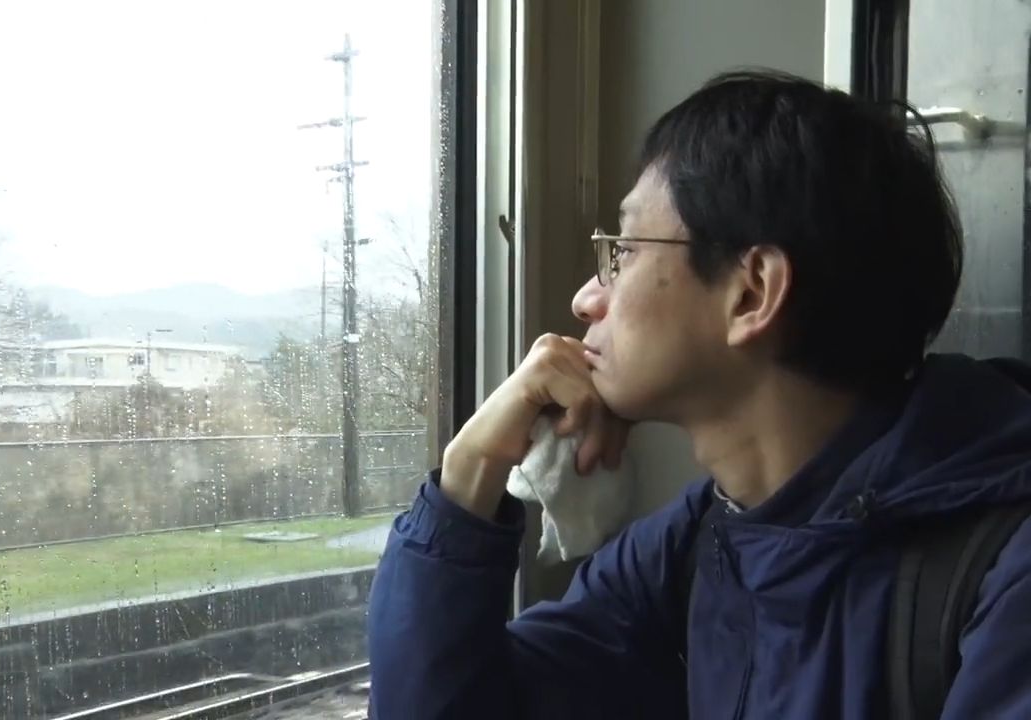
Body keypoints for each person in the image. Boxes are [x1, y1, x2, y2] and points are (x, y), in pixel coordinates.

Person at [366, 70, 1031, 719]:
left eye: (622, 252)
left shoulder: (1004, 573)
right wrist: (469, 475)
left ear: (752, 293)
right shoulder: (698, 545)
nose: (585, 299)